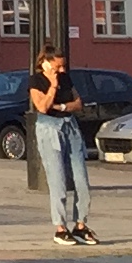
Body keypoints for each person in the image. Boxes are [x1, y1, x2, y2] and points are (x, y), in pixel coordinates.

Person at [31, 45, 96, 246]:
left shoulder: (66, 78)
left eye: (63, 66)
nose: (62, 71)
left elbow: (78, 103)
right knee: (57, 179)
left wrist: (61, 106)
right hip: (49, 129)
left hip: (70, 126)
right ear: (46, 63)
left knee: (81, 180)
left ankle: (80, 224)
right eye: (58, 67)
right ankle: (60, 228)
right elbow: (41, 107)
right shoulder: (36, 80)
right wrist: (52, 84)